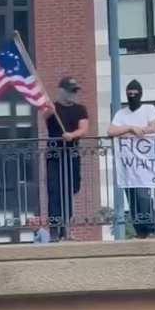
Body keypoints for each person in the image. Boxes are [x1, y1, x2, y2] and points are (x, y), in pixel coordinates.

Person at [107, 80, 155, 239]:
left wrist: (129, 133)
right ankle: (140, 231)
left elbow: (153, 128)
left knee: (143, 195)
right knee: (132, 197)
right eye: (129, 94)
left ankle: (150, 229)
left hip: (145, 161)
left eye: (135, 93)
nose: (132, 96)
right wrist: (131, 128)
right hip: (127, 163)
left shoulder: (149, 109)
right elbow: (111, 131)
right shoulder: (121, 113)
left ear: (140, 94)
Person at [43, 76, 89, 241]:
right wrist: (49, 106)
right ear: (61, 91)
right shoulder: (52, 108)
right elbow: (44, 114)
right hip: (55, 154)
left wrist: (72, 135)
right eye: (70, 91)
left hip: (72, 153)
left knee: (70, 189)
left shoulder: (80, 109)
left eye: (75, 91)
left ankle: (67, 227)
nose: (73, 94)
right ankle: (55, 229)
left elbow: (83, 129)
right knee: (55, 191)